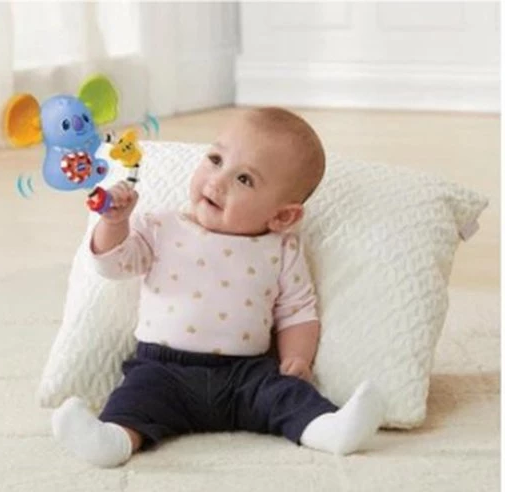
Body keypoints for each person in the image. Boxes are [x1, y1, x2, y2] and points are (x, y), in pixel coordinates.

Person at [52, 107, 386, 468]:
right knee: (135, 399)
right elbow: (112, 264)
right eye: (215, 159)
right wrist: (114, 223)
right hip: (163, 368)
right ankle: (113, 439)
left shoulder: (280, 249)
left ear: (282, 215)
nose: (218, 181)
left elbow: (297, 311)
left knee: (288, 396)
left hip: (247, 374)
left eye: (244, 179)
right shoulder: (161, 227)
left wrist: (298, 359)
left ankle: (327, 429)